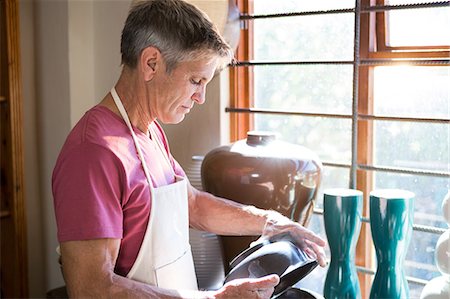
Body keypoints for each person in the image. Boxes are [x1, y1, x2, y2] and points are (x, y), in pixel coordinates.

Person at [52, 0, 327, 298]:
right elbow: (92, 289)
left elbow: (192, 205)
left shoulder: (149, 130)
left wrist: (271, 222)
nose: (201, 98)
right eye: (196, 80)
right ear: (151, 63)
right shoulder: (93, 152)